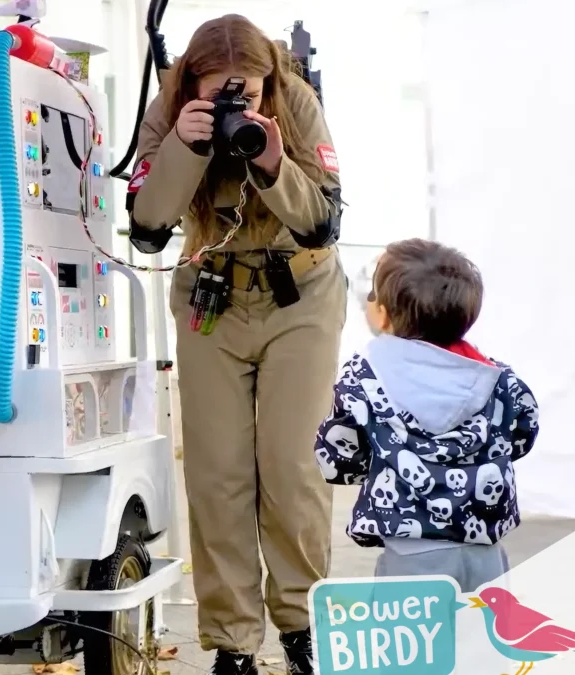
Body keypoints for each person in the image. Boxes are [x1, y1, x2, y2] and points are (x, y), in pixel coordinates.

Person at [125, 14, 347, 675]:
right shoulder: (169, 104)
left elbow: (321, 223)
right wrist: (183, 150)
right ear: (193, 79)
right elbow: (146, 228)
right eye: (219, 93)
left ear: (268, 80)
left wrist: (273, 159)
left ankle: (303, 624)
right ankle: (232, 643)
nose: (233, 107)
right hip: (211, 300)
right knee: (217, 475)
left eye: (244, 94)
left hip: (298, 295)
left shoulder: (295, 100)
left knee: (292, 467)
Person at [313, 239, 540, 592]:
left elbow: (337, 459)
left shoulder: (364, 376)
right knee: (485, 640)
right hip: (485, 548)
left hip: (409, 550)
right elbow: (523, 435)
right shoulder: (499, 380)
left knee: (410, 646)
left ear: (384, 314)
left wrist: (373, 463)